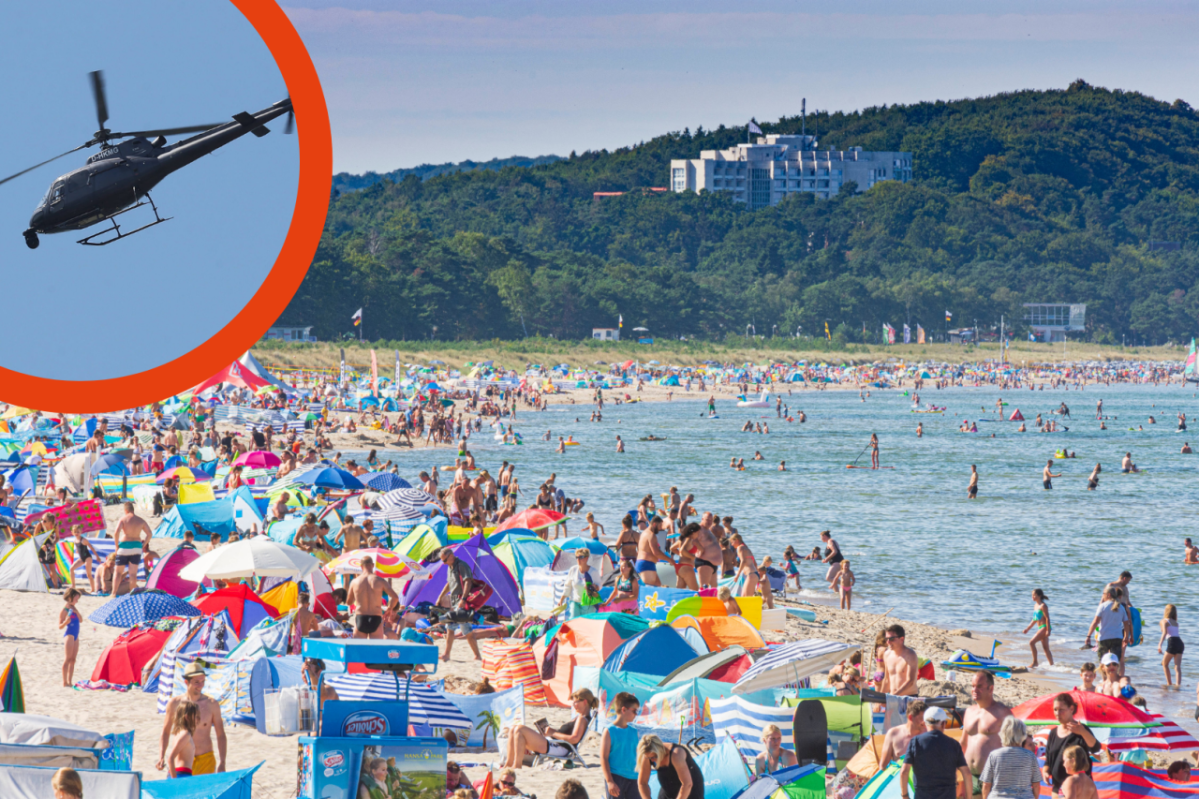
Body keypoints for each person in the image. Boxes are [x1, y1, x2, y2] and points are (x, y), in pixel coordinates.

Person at [158, 661, 227, 775]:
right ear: (186, 682)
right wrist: (161, 756)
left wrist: (222, 762)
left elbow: (221, 734)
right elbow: (165, 731)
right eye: (196, 682)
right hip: (181, 761)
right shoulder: (175, 703)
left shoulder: (211, 704)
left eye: (203, 681)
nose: (201, 685)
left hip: (205, 760)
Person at [503, 688, 596, 769]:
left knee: (519, 729)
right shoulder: (579, 717)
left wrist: (552, 733)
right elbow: (568, 735)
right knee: (514, 729)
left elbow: (574, 739)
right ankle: (508, 764)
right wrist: (551, 732)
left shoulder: (582, 719)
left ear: (584, 702)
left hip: (559, 747)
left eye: (576, 702)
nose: (574, 704)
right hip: (554, 743)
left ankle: (516, 766)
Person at [900, 707, 971, 799]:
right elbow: (967, 774)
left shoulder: (915, 742)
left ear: (925, 724)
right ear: (943, 724)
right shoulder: (954, 744)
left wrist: (905, 796)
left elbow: (904, 772)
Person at [962, 671, 1013, 794]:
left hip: (993, 777)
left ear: (991, 688)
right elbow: (963, 743)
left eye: (979, 686)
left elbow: (1014, 746)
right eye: (973, 686)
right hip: (970, 775)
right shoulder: (969, 711)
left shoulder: (1002, 712)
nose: (974, 689)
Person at [1040, 693, 1100, 797]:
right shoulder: (1053, 733)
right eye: (1055, 709)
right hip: (1058, 789)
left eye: (1061, 709)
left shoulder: (1081, 730)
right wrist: (1045, 771)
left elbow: (1096, 748)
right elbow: (1049, 759)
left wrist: (1083, 732)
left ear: (1071, 709)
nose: (1057, 713)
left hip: (1079, 788)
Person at [435, 548, 482, 662]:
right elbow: (449, 584)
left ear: (451, 556)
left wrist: (464, 599)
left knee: (451, 627)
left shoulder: (462, 565)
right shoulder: (450, 567)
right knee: (467, 630)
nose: (444, 563)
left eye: (445, 560)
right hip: (455, 602)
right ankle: (477, 655)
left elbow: (468, 582)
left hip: (462, 602)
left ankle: (447, 654)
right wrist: (440, 596)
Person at [979, 716, 1039, 799]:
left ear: (1003, 733)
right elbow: (1036, 784)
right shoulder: (1030, 756)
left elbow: (986, 784)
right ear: (1022, 734)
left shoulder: (994, 755)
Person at [347, 556, 399, 640]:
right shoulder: (380, 580)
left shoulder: (354, 582)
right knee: (376, 649)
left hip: (361, 617)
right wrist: (389, 609)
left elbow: (349, 602)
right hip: (376, 617)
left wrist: (358, 596)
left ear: (361, 566)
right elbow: (395, 597)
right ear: (373, 565)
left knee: (359, 650)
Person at [637, 734, 703, 799]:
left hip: (690, 788)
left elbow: (687, 784)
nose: (652, 760)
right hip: (667, 789)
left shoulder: (676, 754)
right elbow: (642, 783)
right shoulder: (648, 755)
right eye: (649, 758)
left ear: (660, 751)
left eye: (655, 756)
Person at [602, 692, 642, 799]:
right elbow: (604, 758)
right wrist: (610, 781)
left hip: (634, 778)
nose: (636, 714)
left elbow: (637, 756)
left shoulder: (634, 732)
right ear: (623, 710)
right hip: (616, 777)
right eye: (634, 711)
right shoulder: (609, 731)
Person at [1083, 586, 1131, 667]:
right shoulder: (1121, 607)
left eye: (1103, 594)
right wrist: (1126, 637)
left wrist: (1088, 636)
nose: (1103, 596)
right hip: (1117, 638)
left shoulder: (1102, 606)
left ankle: (1104, 679)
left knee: (1102, 663)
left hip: (1104, 638)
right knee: (1115, 663)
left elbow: (1095, 622)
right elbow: (1126, 624)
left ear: (1108, 595)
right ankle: (1114, 678)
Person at [113, 501, 152, 589]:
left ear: (125, 510)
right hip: (137, 547)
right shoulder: (141, 520)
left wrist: (116, 546)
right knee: (133, 574)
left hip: (124, 546)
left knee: (118, 572)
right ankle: (132, 593)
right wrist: (143, 545)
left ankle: (113, 593)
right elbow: (149, 534)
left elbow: (116, 533)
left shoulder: (123, 519)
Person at [880, 699, 927, 765]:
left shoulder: (929, 734)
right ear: (910, 717)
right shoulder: (893, 734)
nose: (925, 722)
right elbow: (883, 766)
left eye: (927, 718)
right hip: (899, 774)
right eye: (922, 718)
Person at [881, 624, 919, 696]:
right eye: (886, 639)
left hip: (908, 697)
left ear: (901, 639)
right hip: (893, 696)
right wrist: (879, 700)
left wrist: (894, 696)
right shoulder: (887, 654)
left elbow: (910, 681)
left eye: (891, 639)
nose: (888, 642)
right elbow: (886, 680)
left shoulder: (910, 655)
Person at [566, 548, 602, 618]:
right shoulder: (573, 569)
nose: (578, 559)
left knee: (586, 625)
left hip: (588, 602)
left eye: (581, 557)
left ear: (586, 558)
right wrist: (561, 599)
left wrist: (595, 587)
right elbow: (567, 585)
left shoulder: (594, 571)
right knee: (573, 623)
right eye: (577, 557)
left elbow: (599, 586)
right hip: (575, 601)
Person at [1021, 589, 1053, 667]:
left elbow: (1047, 618)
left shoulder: (1043, 606)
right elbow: (1034, 619)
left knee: (1031, 642)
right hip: (1040, 628)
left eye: (1034, 595)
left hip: (1044, 627)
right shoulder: (1035, 606)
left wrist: (1048, 630)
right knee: (1045, 648)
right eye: (1032, 595)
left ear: (1039, 596)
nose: (1032, 597)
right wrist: (1027, 628)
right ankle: (1052, 665)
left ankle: (1035, 662)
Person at [166, 700, 198, 778]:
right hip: (181, 774)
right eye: (196, 716)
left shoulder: (178, 733)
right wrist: (175, 781)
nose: (198, 719)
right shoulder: (185, 734)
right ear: (187, 717)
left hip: (178, 773)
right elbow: (170, 758)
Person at [59, 588, 82, 687]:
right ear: (70, 597)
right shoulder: (64, 610)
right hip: (69, 634)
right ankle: (64, 682)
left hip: (76, 635)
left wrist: (76, 612)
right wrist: (65, 622)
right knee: (67, 659)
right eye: (76, 599)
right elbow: (60, 626)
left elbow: (80, 620)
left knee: (73, 659)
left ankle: (70, 681)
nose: (77, 601)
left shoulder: (74, 608)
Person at [1158, 604, 1184, 687]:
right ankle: (1178, 685)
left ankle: (1169, 683)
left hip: (1172, 642)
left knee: (1164, 664)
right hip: (1180, 643)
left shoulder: (1164, 621)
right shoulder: (1176, 623)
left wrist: (1159, 645)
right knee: (1177, 667)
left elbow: (1164, 633)